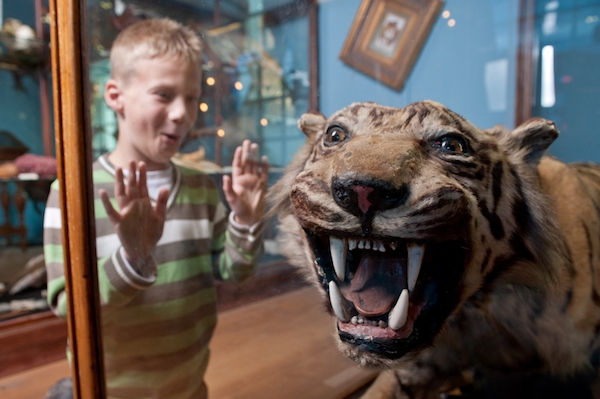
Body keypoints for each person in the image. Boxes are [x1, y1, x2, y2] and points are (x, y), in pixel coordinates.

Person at [44, 18, 268, 398]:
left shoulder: (200, 188)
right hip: (109, 388)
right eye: (164, 95)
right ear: (115, 96)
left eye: (191, 99)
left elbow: (233, 272)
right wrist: (133, 257)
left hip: (188, 385)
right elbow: (66, 304)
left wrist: (245, 220)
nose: (182, 113)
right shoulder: (71, 194)